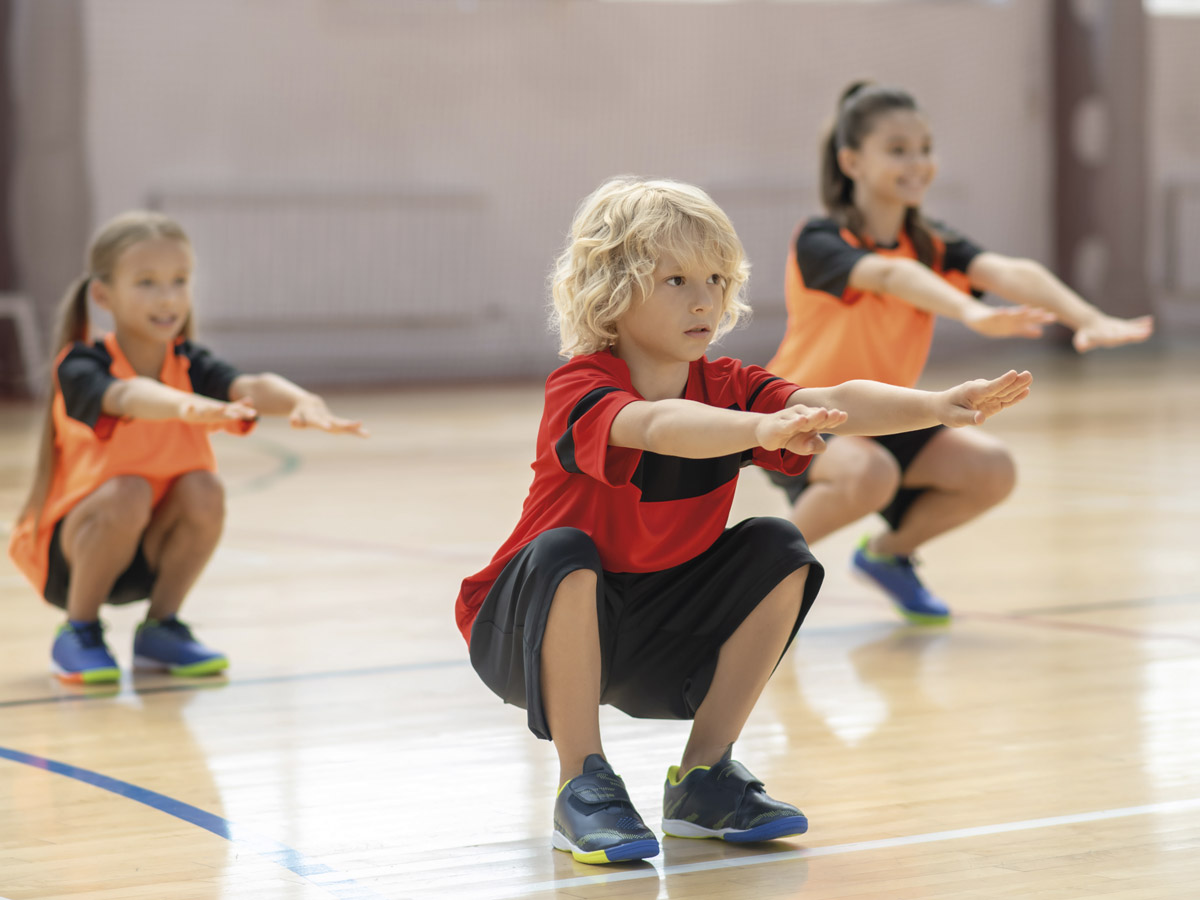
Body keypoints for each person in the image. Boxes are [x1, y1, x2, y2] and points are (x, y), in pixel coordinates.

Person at [455, 176, 1032, 864]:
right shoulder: (580, 388)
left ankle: (704, 779)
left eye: (717, 278)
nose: (705, 299)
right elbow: (663, 425)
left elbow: (838, 397)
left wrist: (936, 405)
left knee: (778, 546)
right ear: (611, 289)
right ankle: (584, 785)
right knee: (564, 552)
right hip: (522, 630)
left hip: (647, 637)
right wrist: (760, 426)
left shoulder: (730, 385)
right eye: (675, 280)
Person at [765, 81, 1153, 624]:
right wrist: (969, 312)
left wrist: (1087, 318)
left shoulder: (933, 243)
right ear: (851, 160)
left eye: (925, 148)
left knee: (992, 470)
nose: (918, 162)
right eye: (898, 149)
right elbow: (891, 275)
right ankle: (755, 582)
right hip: (802, 412)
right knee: (869, 475)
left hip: (888, 415)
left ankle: (888, 556)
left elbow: (1010, 271)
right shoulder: (821, 238)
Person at [7, 211, 367, 685]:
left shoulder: (189, 362)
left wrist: (303, 401)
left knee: (203, 488)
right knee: (128, 489)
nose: (168, 297)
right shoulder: (81, 364)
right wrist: (186, 406)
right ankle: (78, 631)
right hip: (73, 555)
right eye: (147, 282)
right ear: (102, 295)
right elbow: (128, 395)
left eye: (179, 281)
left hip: (148, 548)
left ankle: (161, 629)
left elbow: (250, 385)